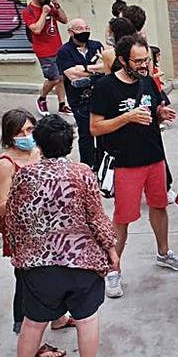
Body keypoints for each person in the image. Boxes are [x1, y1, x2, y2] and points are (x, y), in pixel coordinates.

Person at [6, 115, 116, 357]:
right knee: (86, 320)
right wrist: (111, 250)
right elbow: (96, 217)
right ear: (70, 143)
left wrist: (24, 250)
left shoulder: (25, 175)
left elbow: (14, 218)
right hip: (82, 262)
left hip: (39, 266)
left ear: (39, 143)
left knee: (33, 323)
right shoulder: (82, 173)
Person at [90, 35, 178, 299]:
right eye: (139, 61)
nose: (145, 65)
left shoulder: (148, 81)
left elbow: (154, 107)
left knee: (159, 207)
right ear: (123, 60)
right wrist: (127, 117)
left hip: (154, 157)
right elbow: (95, 127)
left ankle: (164, 252)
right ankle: (113, 268)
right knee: (122, 218)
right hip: (125, 162)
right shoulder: (105, 87)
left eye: (147, 59)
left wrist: (160, 113)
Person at [1, 110, 68, 349]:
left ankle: (59, 318)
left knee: (54, 274)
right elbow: (1, 206)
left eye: (30, 130)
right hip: (24, 236)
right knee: (26, 284)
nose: (26, 136)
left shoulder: (39, 153)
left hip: (49, 230)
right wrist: (29, 197)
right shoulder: (6, 164)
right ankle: (26, 335)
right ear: (9, 136)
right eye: (19, 133)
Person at [55, 19, 105, 168]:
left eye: (86, 27)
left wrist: (83, 69)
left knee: (102, 132)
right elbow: (71, 75)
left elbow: (106, 67)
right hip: (79, 100)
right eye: (79, 28)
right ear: (70, 32)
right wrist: (95, 70)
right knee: (86, 133)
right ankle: (87, 167)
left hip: (100, 96)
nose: (84, 31)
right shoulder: (64, 51)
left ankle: (102, 165)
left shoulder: (96, 46)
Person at [22, 0, 71, 116]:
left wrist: (57, 6)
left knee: (61, 77)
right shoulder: (28, 11)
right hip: (44, 51)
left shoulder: (49, 6)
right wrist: (44, 13)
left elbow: (64, 20)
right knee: (53, 78)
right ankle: (42, 98)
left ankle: (62, 104)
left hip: (58, 47)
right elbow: (36, 30)